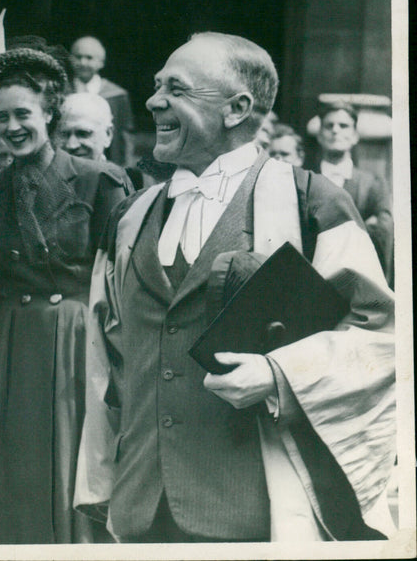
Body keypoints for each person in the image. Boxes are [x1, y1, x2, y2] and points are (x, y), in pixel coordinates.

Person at [75, 32, 396, 543]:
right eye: (157, 86)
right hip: (140, 506)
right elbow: (107, 361)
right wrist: (101, 483)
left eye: (176, 89)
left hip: (252, 513)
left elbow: (382, 336)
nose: (154, 100)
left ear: (237, 108)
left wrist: (278, 374)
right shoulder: (131, 215)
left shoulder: (312, 204)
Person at [0, 43, 132, 544]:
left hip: (77, 346)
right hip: (9, 346)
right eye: (2, 117)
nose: (12, 127)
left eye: (23, 114)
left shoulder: (101, 182)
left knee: (71, 462)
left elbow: (118, 279)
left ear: (50, 112)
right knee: (12, 472)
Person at [316, 102, 393, 283]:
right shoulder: (304, 179)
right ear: (319, 135)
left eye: (343, 126)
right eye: (329, 125)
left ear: (355, 136)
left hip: (359, 279)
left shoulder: (373, 183)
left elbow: (382, 230)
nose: (335, 131)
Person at [69, 36, 134, 166]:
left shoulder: (117, 95)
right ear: (70, 59)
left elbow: (125, 137)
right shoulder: (62, 92)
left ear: (101, 62)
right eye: (78, 57)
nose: (83, 63)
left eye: (89, 58)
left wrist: (125, 168)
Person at [53, 92, 113, 162]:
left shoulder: (120, 173)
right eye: (64, 135)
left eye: (83, 133)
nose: (71, 145)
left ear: (108, 135)